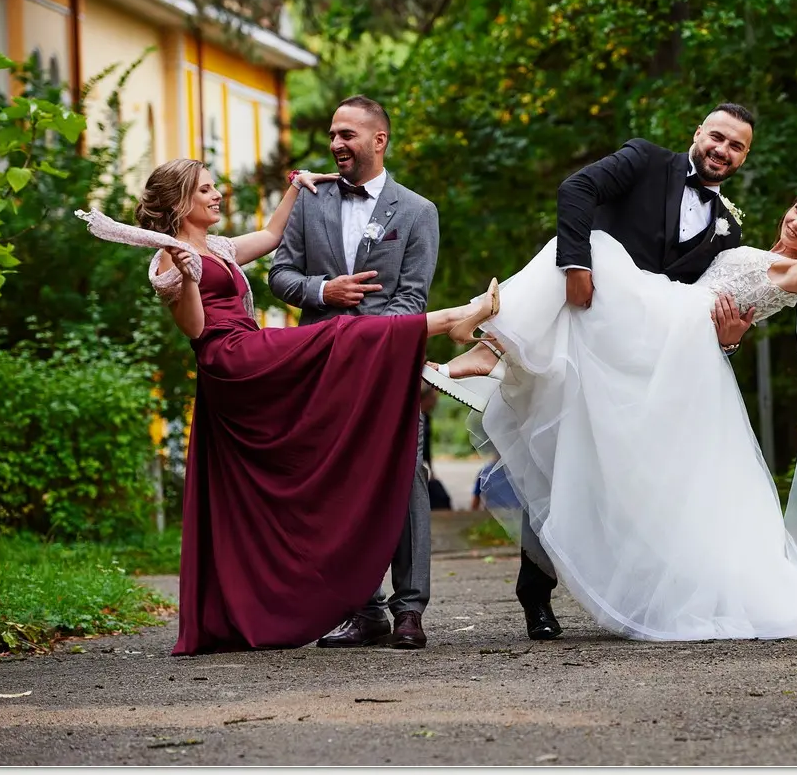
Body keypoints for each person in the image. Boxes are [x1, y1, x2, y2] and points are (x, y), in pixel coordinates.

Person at [435, 182, 797, 642]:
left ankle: (488, 339)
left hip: (680, 332)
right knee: (578, 265)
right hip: (672, 323)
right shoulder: (743, 243)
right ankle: (495, 347)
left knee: (590, 246)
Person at [74, 159, 497, 655]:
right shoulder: (170, 258)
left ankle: (450, 331)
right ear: (181, 202)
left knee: (337, 363)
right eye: (206, 190)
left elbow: (273, 236)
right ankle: (455, 320)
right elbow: (194, 329)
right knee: (339, 334)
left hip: (247, 351)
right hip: (232, 358)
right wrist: (187, 279)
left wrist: (297, 186)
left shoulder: (218, 247)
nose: (217, 195)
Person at [424, 103, 761, 640]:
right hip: (581, 332)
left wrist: (730, 340)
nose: (722, 150)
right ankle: (535, 592)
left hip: (640, 366)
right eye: (717, 137)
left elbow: (698, 308)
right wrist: (577, 265)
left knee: (629, 482)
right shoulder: (644, 160)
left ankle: (637, 598)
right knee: (555, 457)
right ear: (698, 132)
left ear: (744, 157)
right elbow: (576, 190)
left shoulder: (730, 232)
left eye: (736, 146)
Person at [269, 95, 440, 651]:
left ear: (378, 140)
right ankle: (364, 611)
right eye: (332, 134)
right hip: (322, 367)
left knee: (406, 478)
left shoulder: (417, 211)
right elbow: (280, 274)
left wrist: (363, 337)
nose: (336, 144)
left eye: (347, 134)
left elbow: (412, 298)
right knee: (339, 485)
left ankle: (409, 609)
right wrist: (324, 291)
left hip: (388, 368)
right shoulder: (309, 201)